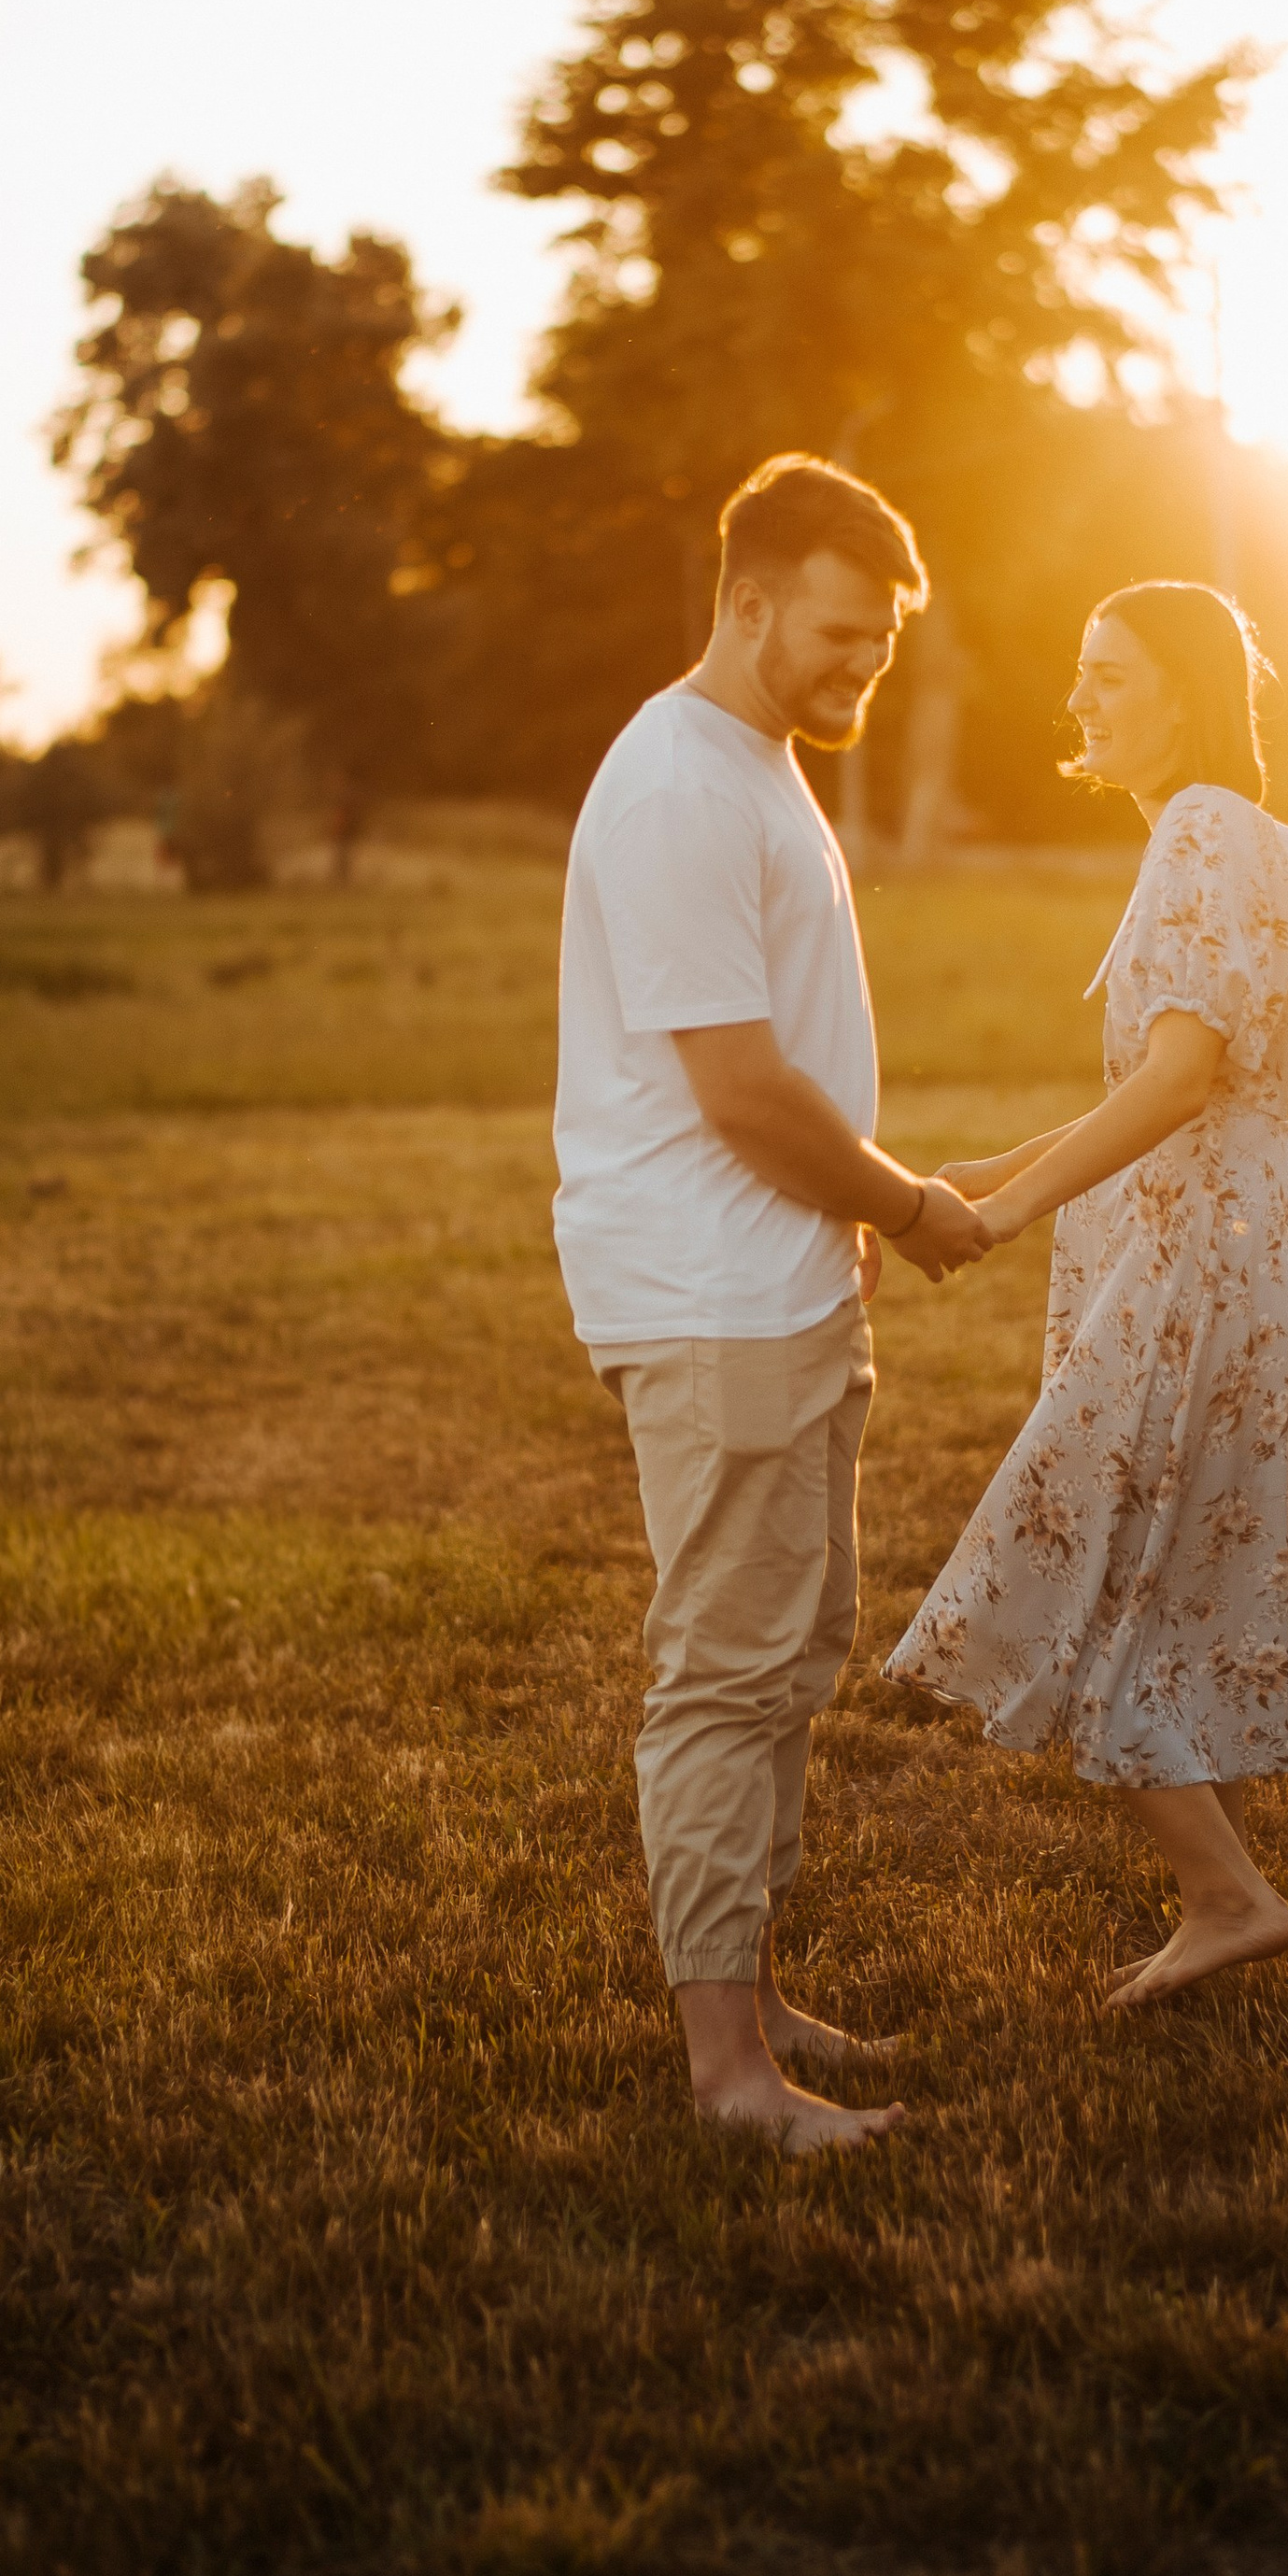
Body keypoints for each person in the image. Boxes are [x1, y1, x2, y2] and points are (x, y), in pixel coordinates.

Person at [554, 455, 992, 2150]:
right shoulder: (678, 786)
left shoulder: (761, 764)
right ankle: (731, 2078)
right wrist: (900, 1199)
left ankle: (747, 1977)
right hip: (710, 1288)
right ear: (744, 601)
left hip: (786, 1272)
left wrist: (848, 1225)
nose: (857, 670)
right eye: (835, 634)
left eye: (880, 648)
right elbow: (736, 1088)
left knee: (791, 1645)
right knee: (728, 1670)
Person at [886, 581, 1288, 2008]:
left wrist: (1015, 1206)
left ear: (1186, 693)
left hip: (1200, 1256)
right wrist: (999, 1161)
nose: (1080, 700)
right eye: (1079, 674)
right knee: (1122, 1554)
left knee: (1075, 1545)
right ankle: (1224, 1893)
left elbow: (1185, 1074)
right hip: (1208, 1232)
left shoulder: (1206, 829)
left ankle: (1228, 1892)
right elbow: (1175, 1083)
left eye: (1110, 675)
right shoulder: (1215, 836)